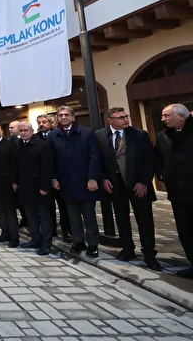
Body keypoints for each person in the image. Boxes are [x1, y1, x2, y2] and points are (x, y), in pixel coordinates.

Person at [96, 107, 161, 271]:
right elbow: (97, 160)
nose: (125, 119)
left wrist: (144, 182)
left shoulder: (139, 135)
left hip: (137, 184)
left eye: (126, 116)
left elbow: (149, 160)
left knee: (144, 219)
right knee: (121, 217)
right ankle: (127, 248)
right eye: (120, 117)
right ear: (110, 120)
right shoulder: (100, 136)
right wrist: (103, 178)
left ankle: (149, 254)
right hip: (115, 184)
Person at [49, 106, 102, 258]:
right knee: (72, 215)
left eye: (66, 115)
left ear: (73, 117)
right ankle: (78, 241)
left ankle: (93, 244)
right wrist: (54, 178)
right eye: (60, 115)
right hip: (66, 182)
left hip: (85, 181)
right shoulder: (53, 135)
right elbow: (51, 159)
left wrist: (92, 178)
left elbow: (95, 157)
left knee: (89, 215)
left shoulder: (87, 133)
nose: (63, 117)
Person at [155, 103, 193, 278]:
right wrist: (162, 176)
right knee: (185, 230)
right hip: (178, 192)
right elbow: (158, 159)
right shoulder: (163, 136)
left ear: (182, 116)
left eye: (166, 115)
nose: (163, 119)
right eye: (163, 115)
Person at [16, 122, 54, 256]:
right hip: (25, 187)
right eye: (21, 130)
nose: (23, 133)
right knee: (31, 216)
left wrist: (44, 186)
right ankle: (35, 239)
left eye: (26, 130)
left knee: (44, 217)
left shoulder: (43, 145)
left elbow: (47, 167)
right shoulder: (19, 145)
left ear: (32, 131)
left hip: (39, 187)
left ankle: (46, 243)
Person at [37, 114, 72, 242]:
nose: (42, 124)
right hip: (44, 179)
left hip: (60, 177)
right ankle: (51, 230)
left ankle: (66, 231)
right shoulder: (36, 138)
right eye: (39, 122)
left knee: (64, 206)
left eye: (44, 122)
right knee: (47, 207)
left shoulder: (58, 135)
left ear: (51, 123)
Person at [7, 119, 28, 229]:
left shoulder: (25, 140)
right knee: (19, 201)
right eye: (9, 128)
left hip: (26, 176)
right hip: (14, 176)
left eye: (12, 127)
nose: (10, 129)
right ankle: (24, 219)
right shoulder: (9, 141)